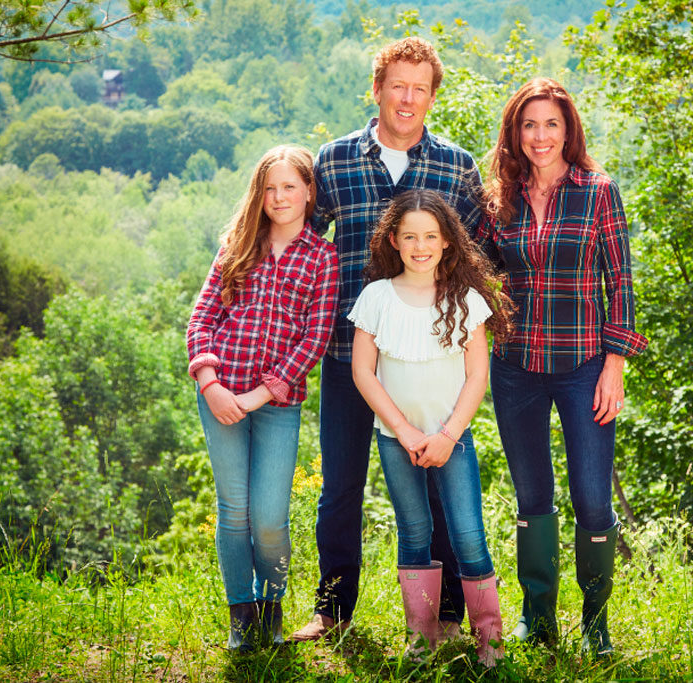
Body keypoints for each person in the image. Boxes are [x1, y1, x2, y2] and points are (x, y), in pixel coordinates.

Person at [291, 37, 486, 642]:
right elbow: (301, 241)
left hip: (433, 362)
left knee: (440, 491)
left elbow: (477, 253)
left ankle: (448, 617)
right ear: (376, 89)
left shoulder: (457, 166)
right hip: (350, 356)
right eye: (397, 85)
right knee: (340, 488)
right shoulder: (334, 160)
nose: (407, 98)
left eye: (419, 89)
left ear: (432, 97)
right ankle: (332, 610)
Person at [477, 78, 648, 656]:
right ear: (515, 133)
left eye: (551, 124)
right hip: (516, 366)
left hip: (584, 366)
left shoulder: (599, 192)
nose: (540, 136)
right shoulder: (499, 199)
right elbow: (479, 275)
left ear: (568, 129)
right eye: (529, 125)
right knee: (532, 497)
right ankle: (539, 620)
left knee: (593, 499)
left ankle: (596, 624)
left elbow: (620, 281)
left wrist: (615, 364)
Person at [349, 190, 513, 665]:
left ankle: (490, 644)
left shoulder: (465, 300)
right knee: (414, 531)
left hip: (452, 439)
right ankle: (421, 640)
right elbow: (363, 372)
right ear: (393, 241)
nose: (420, 246)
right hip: (396, 440)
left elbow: (477, 376)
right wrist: (403, 431)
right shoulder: (376, 297)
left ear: (447, 242)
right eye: (409, 237)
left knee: (468, 535)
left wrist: (447, 436)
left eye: (430, 237)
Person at [186, 145, 339, 653]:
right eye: (270, 188)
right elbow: (202, 318)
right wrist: (210, 383)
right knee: (234, 511)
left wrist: (256, 396)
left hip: (276, 405)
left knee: (269, 518)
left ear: (309, 192)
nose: (279, 197)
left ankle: (272, 608)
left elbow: (314, 340)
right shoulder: (238, 245)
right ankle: (241, 616)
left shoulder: (322, 257)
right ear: (259, 193)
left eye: (290, 186)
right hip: (220, 395)